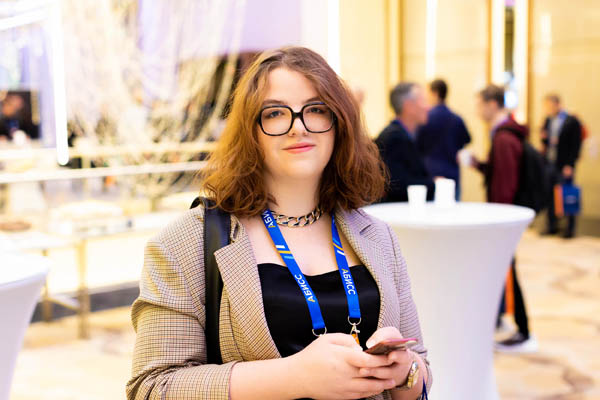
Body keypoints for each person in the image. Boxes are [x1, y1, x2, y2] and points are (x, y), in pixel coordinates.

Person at [127, 47, 431, 400]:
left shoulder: (377, 236)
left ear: (339, 124)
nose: (298, 127)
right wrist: (295, 377)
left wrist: (404, 371)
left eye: (316, 109)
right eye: (275, 113)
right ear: (250, 131)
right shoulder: (187, 242)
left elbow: (420, 369)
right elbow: (152, 388)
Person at [470, 84, 537, 353]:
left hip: (504, 219)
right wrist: (478, 165)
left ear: (492, 104)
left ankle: (523, 330)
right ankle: (506, 321)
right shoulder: (503, 134)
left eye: (479, 104)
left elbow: (505, 186)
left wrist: (498, 221)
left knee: (508, 270)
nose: (477, 110)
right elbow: (499, 174)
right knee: (505, 269)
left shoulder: (504, 138)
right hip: (504, 217)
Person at [376, 83, 434, 202]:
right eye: (423, 101)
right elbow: (398, 185)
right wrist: (434, 184)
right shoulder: (394, 138)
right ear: (409, 106)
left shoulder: (404, 135)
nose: (428, 107)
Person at [416, 79, 471, 199]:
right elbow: (467, 139)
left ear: (435, 93)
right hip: (452, 173)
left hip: (430, 173)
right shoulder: (456, 119)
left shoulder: (425, 119)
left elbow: (417, 144)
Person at [540, 94, 583, 239]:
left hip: (564, 164)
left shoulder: (571, 121)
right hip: (550, 163)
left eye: (549, 106)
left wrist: (570, 164)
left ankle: (569, 228)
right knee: (550, 195)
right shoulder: (548, 120)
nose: (548, 109)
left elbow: (576, 145)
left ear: (557, 104)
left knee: (567, 195)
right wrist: (544, 139)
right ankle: (552, 226)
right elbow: (545, 141)